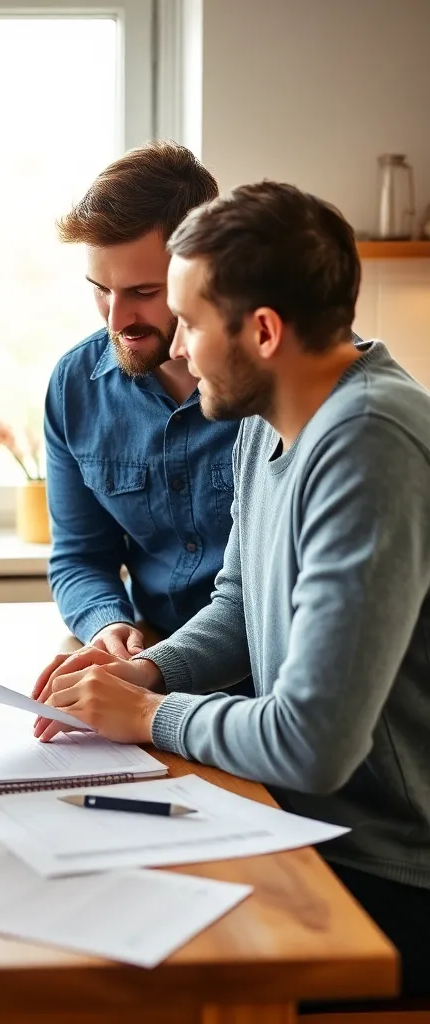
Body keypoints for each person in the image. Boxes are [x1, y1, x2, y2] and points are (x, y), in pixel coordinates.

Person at [34, 182, 430, 998]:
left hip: (391, 866)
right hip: (299, 818)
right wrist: (144, 672)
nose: (174, 349)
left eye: (187, 321)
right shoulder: (269, 418)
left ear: (262, 331)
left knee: (120, 978)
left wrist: (147, 715)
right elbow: (241, 605)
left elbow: (310, 744)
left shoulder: (368, 443)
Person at [45, 141, 241, 661]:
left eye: (144, 292)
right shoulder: (75, 386)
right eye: (101, 289)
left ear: (203, 268)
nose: (115, 320)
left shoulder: (272, 382)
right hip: (145, 667)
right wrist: (106, 624)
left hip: (264, 684)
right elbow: (80, 556)